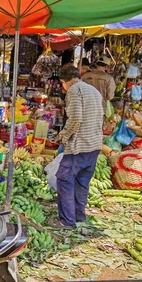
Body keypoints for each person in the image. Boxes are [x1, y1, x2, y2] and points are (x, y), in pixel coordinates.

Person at [56, 64, 104, 229]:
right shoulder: (94, 91)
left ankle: (67, 221)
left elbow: (76, 118)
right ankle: (79, 217)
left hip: (79, 145)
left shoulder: (74, 91)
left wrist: (63, 135)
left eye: (62, 83)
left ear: (65, 81)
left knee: (65, 179)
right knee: (81, 183)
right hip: (95, 144)